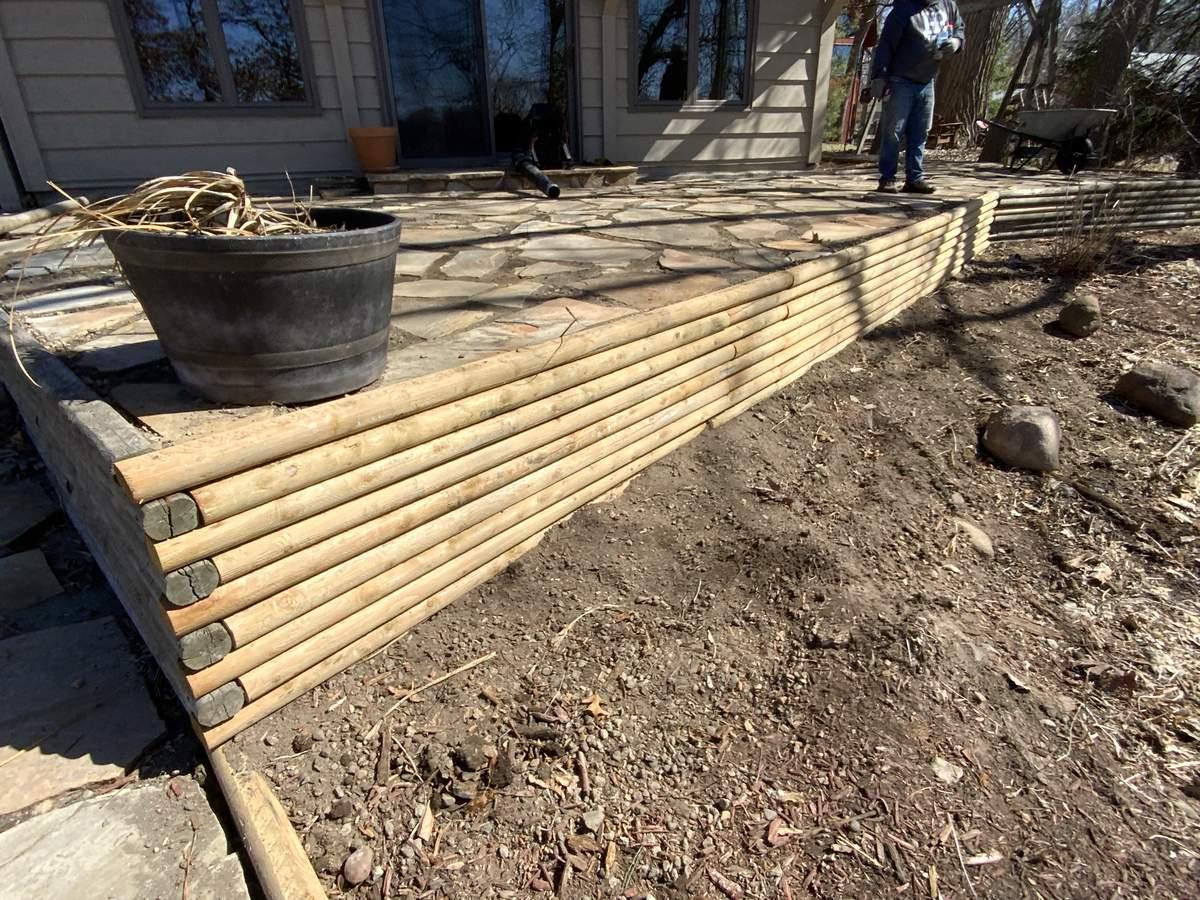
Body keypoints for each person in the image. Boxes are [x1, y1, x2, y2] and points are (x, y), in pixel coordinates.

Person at [869, 0, 965, 194]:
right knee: (893, 131)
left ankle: (915, 178)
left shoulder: (948, 6)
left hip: (927, 80)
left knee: (920, 132)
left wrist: (956, 43)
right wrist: (879, 76)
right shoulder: (904, 9)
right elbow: (886, 44)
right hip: (899, 79)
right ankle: (887, 178)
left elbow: (960, 29)